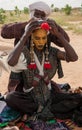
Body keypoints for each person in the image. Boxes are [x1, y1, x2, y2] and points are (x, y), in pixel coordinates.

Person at [5, 20, 80, 122]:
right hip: (30, 98)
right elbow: (10, 61)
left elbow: (73, 57)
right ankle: (42, 110)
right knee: (10, 98)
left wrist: (58, 34)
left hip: (50, 96)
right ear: (31, 38)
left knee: (78, 97)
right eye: (37, 38)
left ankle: (43, 111)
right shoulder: (24, 52)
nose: (40, 41)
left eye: (43, 38)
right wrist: (25, 35)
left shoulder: (52, 52)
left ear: (47, 38)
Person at [1, 1, 71, 93]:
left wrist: (56, 27)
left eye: (42, 16)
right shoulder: (24, 27)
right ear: (31, 14)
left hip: (40, 72)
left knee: (50, 90)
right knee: (14, 94)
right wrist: (27, 26)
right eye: (36, 14)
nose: (39, 18)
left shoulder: (47, 31)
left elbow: (65, 41)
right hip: (22, 70)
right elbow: (4, 32)